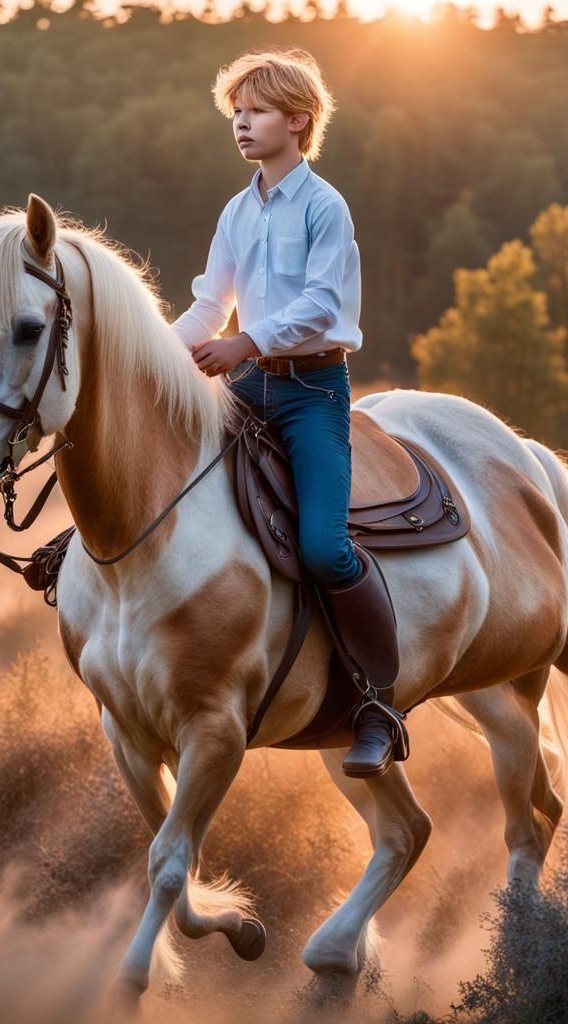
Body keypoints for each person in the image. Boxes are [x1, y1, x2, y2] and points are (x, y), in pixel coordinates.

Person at [168, 47, 404, 778]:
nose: (241, 123)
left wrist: (244, 341)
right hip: (245, 387)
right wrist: (156, 355)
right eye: (236, 112)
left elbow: (322, 306)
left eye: (258, 111)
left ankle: (378, 706)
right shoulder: (237, 211)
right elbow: (209, 303)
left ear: (298, 121)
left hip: (312, 393)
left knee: (325, 549)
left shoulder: (325, 206)